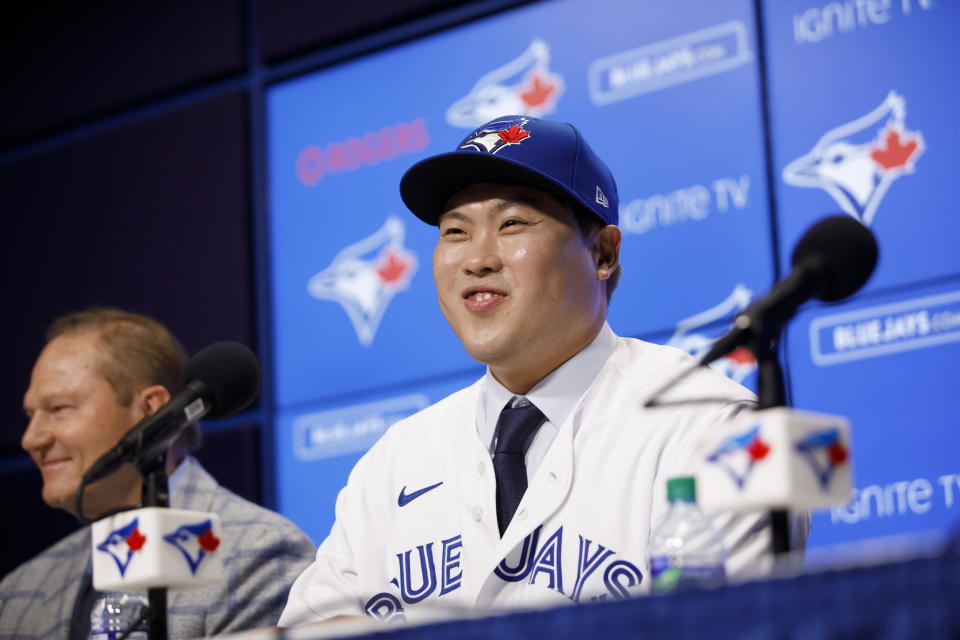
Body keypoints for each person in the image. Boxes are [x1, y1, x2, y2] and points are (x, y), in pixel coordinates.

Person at [279, 116, 806, 626]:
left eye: (511, 224)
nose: (477, 259)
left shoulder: (718, 429)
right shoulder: (396, 459)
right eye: (455, 231)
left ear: (602, 252)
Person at [0, 309, 316, 638]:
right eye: (30, 415)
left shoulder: (257, 551)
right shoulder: (19, 591)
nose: (31, 439)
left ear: (150, 409)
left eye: (59, 409)